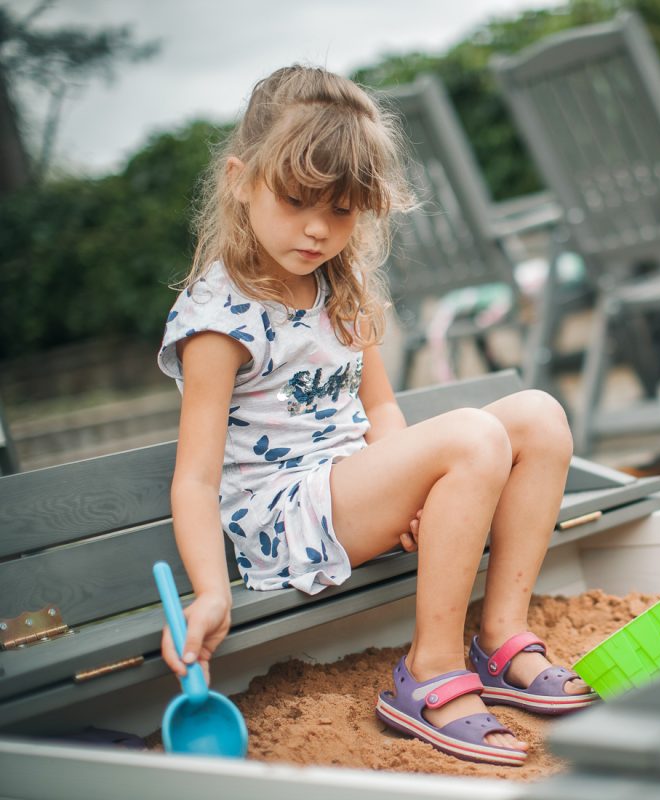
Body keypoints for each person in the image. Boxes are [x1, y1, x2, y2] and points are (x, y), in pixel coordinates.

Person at [156, 64, 596, 768]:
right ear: (240, 179)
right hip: (287, 516)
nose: (317, 229)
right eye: (298, 200)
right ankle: (428, 669)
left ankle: (500, 634)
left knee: (540, 415)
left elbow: (382, 407)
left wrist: (416, 491)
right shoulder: (219, 321)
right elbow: (196, 481)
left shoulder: (342, 286)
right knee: (473, 434)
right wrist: (211, 591)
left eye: (341, 210)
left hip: (352, 486)